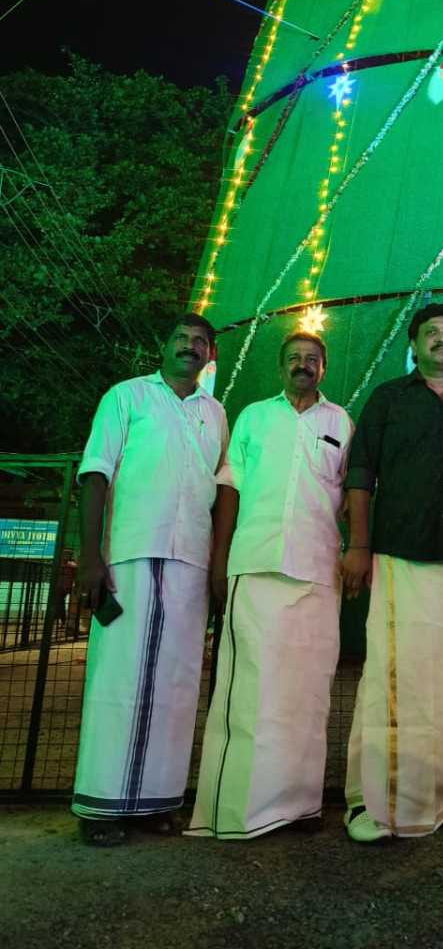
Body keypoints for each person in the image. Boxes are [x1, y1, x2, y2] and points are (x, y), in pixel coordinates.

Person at [341, 303, 443, 842]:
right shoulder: (388, 399)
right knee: (392, 675)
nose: (442, 339)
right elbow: (360, 474)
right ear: (412, 345)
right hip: (398, 555)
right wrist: (358, 545)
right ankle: (369, 804)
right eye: (431, 332)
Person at [186, 332, 352, 839]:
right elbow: (230, 489)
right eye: (294, 358)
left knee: (308, 691)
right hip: (255, 563)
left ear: (324, 368)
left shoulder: (341, 422)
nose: (303, 365)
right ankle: (236, 812)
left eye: (312, 359)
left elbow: (351, 496)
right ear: (280, 367)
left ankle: (299, 807)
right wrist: (220, 560)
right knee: (249, 689)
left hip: (318, 569)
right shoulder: (254, 417)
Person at [72, 314, 229, 846]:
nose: (190, 346)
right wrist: (90, 555)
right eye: (181, 338)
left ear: (210, 355)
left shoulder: (215, 412)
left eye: (200, 342)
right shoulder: (127, 397)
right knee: (118, 679)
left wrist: (216, 565)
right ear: (163, 346)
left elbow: (219, 491)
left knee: (175, 685)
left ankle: (155, 802)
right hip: (130, 555)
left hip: (190, 561)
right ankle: (100, 807)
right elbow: (96, 472)